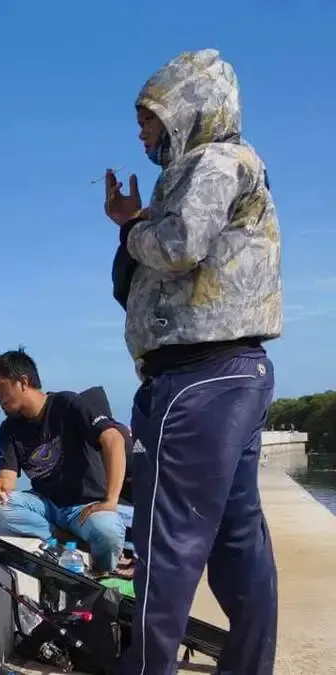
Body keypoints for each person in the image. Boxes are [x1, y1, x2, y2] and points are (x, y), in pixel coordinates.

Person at [105, 48, 281, 675]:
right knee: (237, 540)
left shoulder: (211, 161)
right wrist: (138, 219)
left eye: (149, 118)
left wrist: (132, 228)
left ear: (187, 110)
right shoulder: (230, 166)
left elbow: (179, 246)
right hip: (234, 373)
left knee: (166, 540)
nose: (142, 132)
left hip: (196, 379)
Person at [0, 348, 134, 575]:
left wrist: (110, 500)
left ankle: (104, 572)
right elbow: (7, 480)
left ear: (22, 381)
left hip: (85, 506)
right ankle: (60, 536)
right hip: (47, 506)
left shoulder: (67, 403)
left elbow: (113, 439)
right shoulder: (9, 427)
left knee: (108, 532)